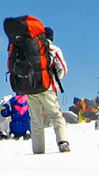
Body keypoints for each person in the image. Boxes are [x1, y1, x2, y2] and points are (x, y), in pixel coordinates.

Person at [25, 23, 70, 154]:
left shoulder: (30, 49)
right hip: (47, 87)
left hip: (31, 89)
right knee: (56, 116)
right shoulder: (54, 49)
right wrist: (55, 79)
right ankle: (63, 142)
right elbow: (63, 69)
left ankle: (38, 150)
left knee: (36, 120)